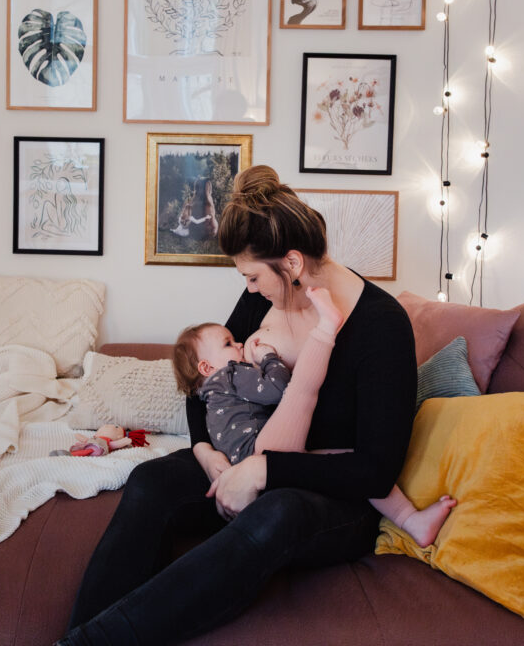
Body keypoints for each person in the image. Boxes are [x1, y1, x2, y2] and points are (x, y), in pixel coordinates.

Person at [55, 165, 429, 646]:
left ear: (291, 264)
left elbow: (375, 471)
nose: (248, 289)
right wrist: (205, 453)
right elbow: (205, 383)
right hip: (244, 460)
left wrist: (267, 472)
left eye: (253, 276)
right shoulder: (262, 297)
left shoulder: (382, 327)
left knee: (275, 514)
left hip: (332, 497)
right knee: (151, 480)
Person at [173, 313, 455, 546]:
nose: (239, 344)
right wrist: (269, 358)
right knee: (347, 458)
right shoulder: (232, 374)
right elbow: (277, 389)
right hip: (265, 458)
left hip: (241, 467)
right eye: (228, 343)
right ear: (207, 366)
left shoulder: (208, 397)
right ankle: (409, 519)